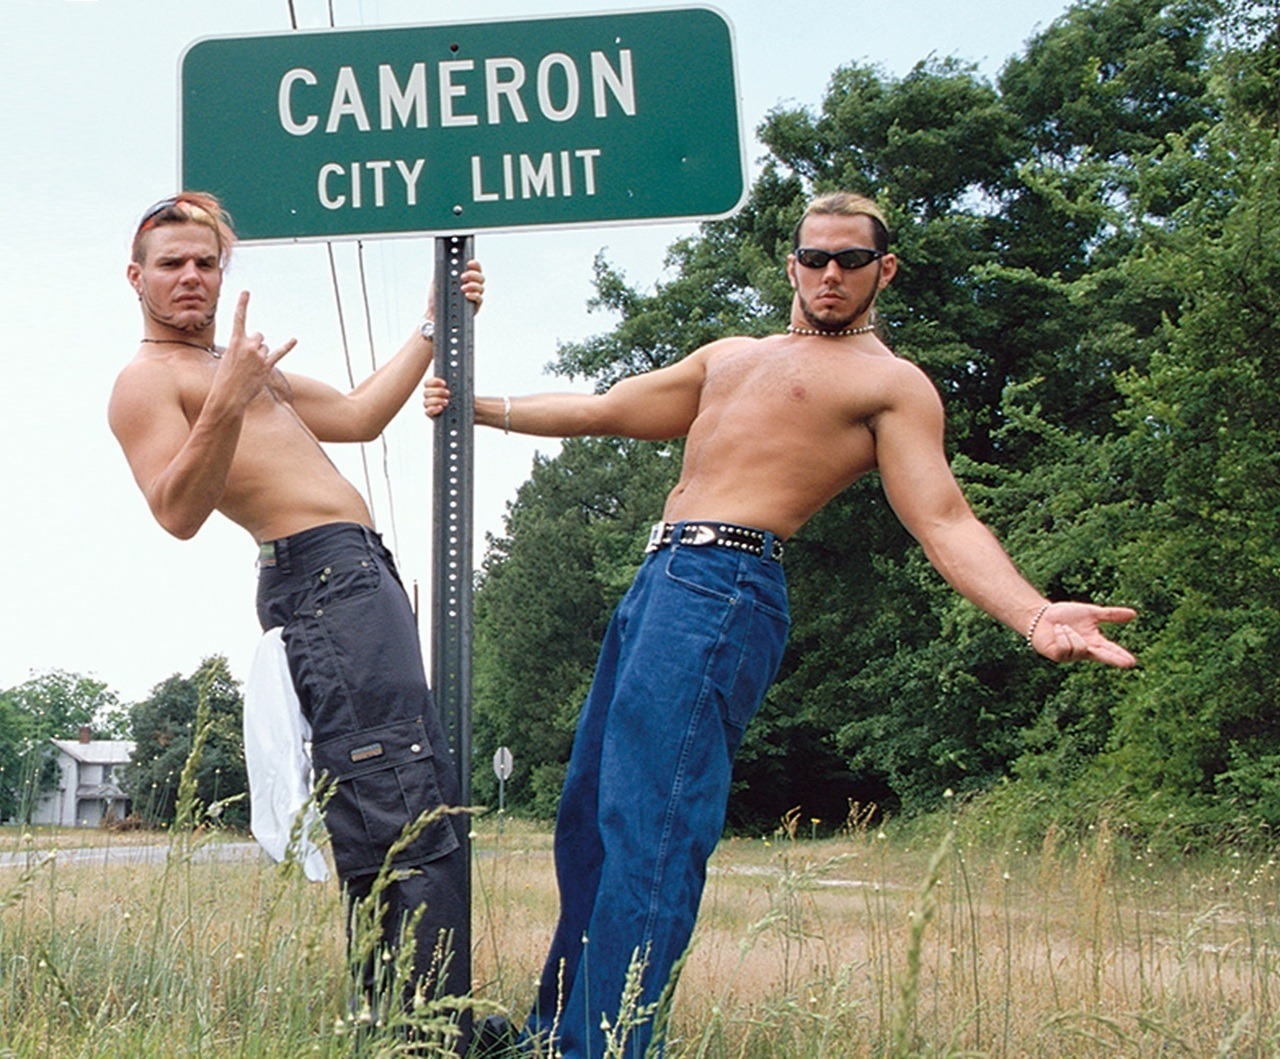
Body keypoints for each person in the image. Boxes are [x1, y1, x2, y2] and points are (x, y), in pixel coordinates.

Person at [446, 191, 1137, 1057]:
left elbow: (945, 518)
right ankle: (556, 1034)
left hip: (725, 585)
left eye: (852, 260)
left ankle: (608, 1047)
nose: (832, 274)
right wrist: (471, 404)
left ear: (884, 269)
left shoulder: (890, 384)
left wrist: (1032, 610)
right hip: (657, 579)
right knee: (588, 816)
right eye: (816, 258)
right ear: (793, 266)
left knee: (653, 827)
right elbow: (600, 408)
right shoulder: (732, 356)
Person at [109, 191, 484, 1046]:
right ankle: (420, 1036)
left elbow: (357, 415)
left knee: (411, 795)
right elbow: (176, 510)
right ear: (137, 278)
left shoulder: (243, 365)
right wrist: (228, 400)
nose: (192, 277)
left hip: (360, 572)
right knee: (399, 808)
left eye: (206, 262)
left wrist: (433, 327)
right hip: (319, 582)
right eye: (172, 264)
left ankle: (416, 1024)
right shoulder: (147, 380)